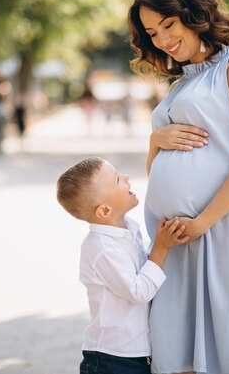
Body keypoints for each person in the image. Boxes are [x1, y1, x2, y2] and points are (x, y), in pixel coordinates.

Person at [128, 0, 229, 374]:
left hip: (226, 228)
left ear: (192, 12)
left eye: (168, 24)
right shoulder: (179, 84)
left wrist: (202, 222)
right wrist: (154, 141)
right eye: (152, 33)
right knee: (174, 353)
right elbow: (158, 169)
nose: (162, 39)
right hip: (176, 240)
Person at [56, 157, 190, 374]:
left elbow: (143, 268)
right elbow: (138, 291)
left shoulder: (128, 229)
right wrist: (162, 248)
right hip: (112, 357)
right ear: (104, 211)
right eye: (118, 180)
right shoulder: (101, 247)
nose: (127, 179)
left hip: (135, 352)